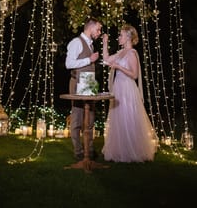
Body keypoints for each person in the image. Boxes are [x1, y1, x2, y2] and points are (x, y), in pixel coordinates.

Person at [102, 23, 158, 162]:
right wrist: (104, 42)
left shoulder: (132, 53)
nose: (119, 37)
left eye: (121, 35)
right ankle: (120, 150)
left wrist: (119, 67)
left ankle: (133, 150)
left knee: (128, 117)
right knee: (118, 118)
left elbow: (134, 75)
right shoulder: (121, 52)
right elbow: (107, 59)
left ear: (128, 37)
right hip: (118, 87)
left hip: (127, 88)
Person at [65, 17, 102, 161]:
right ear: (90, 27)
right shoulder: (76, 42)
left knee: (91, 117)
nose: (99, 32)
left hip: (89, 83)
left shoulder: (91, 44)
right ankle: (78, 151)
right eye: (98, 29)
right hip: (77, 82)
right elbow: (69, 64)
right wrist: (90, 60)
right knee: (77, 117)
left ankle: (89, 149)